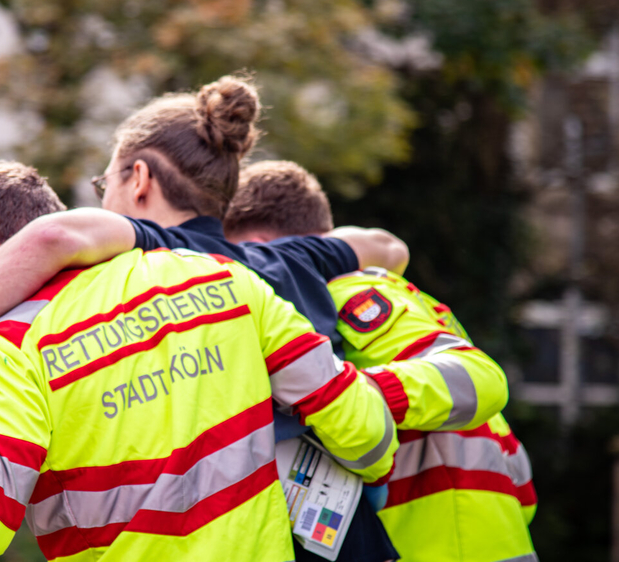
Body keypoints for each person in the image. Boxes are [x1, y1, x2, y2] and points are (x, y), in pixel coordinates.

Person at [0, 74, 403, 561]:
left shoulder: (172, 262)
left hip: (255, 521)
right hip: (346, 519)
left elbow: (52, 238)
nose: (102, 200)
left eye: (105, 183)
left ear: (140, 180)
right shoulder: (290, 258)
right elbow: (388, 247)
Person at [223, 160, 537, 562]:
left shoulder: (345, 293)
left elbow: (478, 377)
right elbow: (522, 484)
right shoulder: (398, 296)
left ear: (268, 247)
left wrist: (346, 396)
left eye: (242, 260)